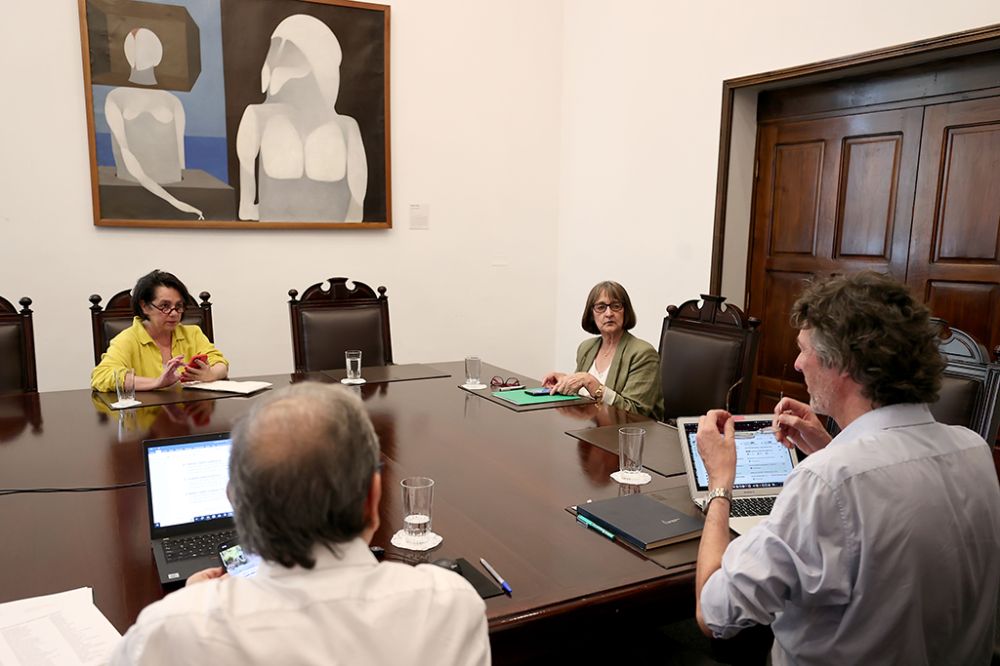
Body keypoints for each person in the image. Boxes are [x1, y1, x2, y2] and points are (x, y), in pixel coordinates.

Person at [694, 271, 1000, 664]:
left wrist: (720, 482)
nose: (797, 362)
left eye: (804, 349)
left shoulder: (825, 481)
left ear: (842, 362)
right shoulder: (973, 449)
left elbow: (714, 613)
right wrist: (831, 446)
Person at [111, 382, 490, 665]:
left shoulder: (169, 631)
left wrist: (194, 601)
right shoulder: (451, 605)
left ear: (235, 503)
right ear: (374, 498)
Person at [90, 270, 228, 392]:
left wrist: (211, 374)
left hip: (188, 414)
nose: (174, 313)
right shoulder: (127, 339)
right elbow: (102, 376)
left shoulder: (193, 333)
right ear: (145, 306)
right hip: (145, 416)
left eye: (178, 306)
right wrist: (157, 382)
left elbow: (220, 363)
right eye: (165, 306)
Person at [544, 281, 663, 419]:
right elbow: (583, 394)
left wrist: (590, 382)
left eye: (616, 306)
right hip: (592, 431)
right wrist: (565, 381)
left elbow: (636, 414)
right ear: (591, 314)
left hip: (629, 435)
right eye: (601, 307)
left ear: (626, 311)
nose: (609, 313)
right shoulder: (586, 348)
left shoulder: (643, 353)